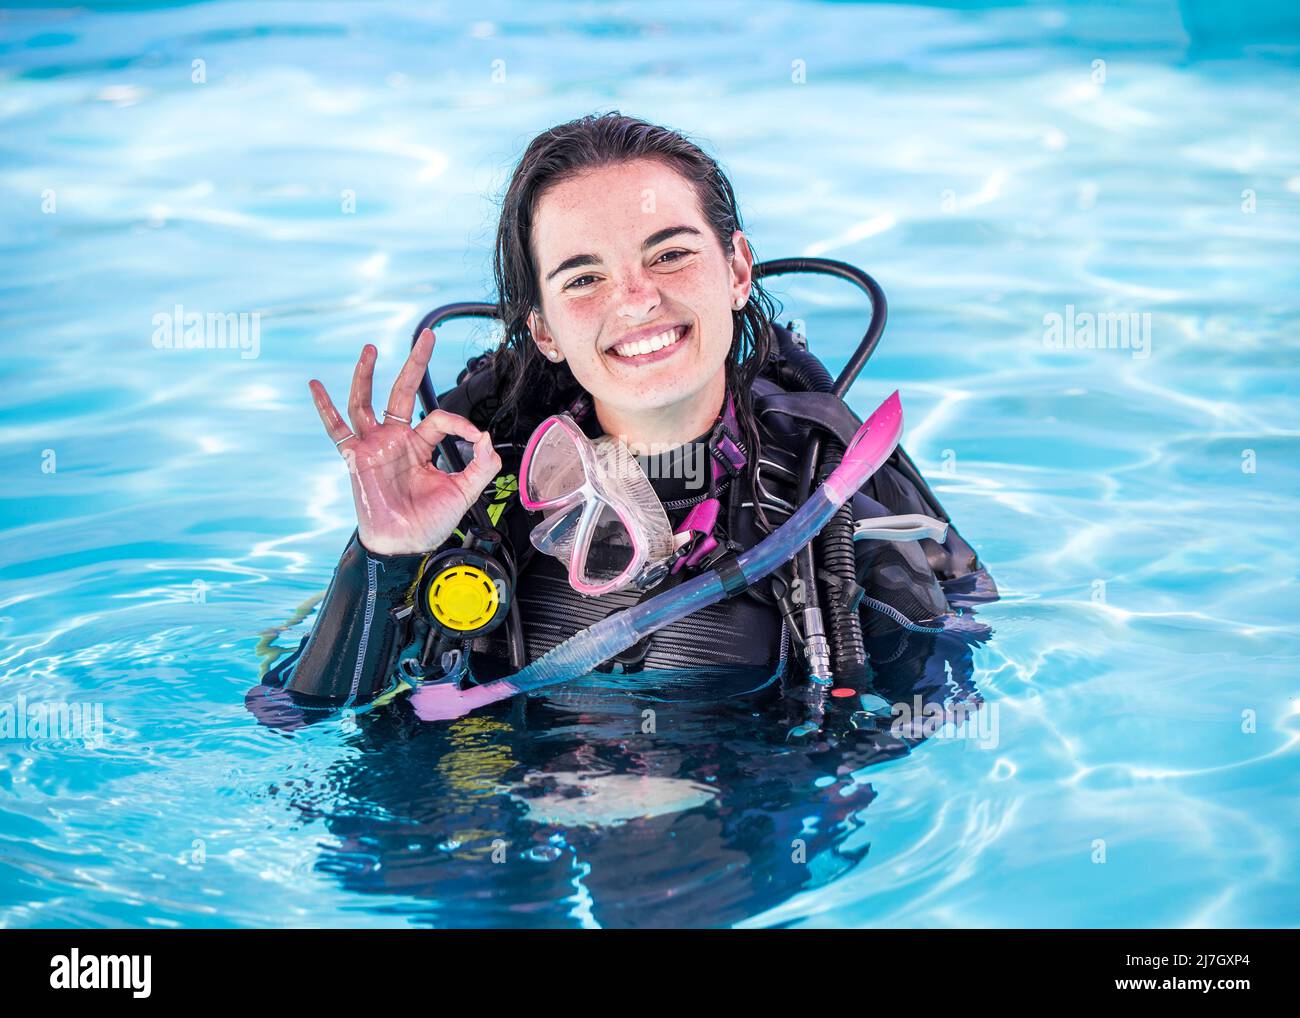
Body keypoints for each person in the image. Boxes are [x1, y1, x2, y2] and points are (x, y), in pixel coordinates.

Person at [246, 111, 996, 728]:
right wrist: (382, 555)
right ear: (541, 328)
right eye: (584, 277)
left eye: (669, 255)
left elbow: (937, 707)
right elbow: (298, 714)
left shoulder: (828, 481)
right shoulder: (471, 485)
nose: (635, 300)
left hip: (741, 805)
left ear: (737, 270)